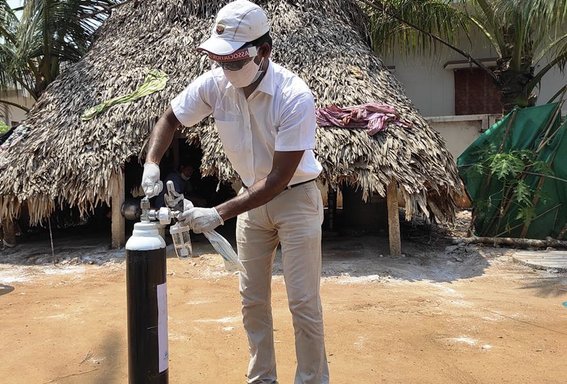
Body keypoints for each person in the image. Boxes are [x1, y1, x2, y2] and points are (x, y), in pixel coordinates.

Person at [141, 1, 328, 383]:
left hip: (296, 199)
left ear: (264, 52)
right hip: (250, 202)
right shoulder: (216, 84)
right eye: (221, 62)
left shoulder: (294, 96)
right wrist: (152, 163)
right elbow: (170, 118)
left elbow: (277, 179)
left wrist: (219, 213)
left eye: (234, 62)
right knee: (252, 300)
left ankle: (311, 379)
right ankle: (262, 378)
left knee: (303, 303)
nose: (227, 69)